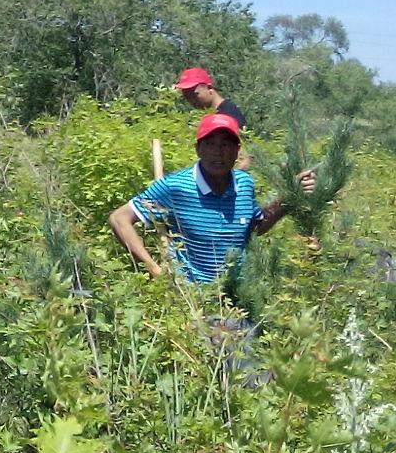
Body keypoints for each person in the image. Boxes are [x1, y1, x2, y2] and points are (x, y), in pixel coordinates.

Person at [108, 112, 302, 290]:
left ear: (237, 151)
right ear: (198, 149)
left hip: (241, 297)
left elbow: (254, 227)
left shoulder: (244, 184)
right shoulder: (176, 187)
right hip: (194, 299)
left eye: (225, 144)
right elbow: (119, 219)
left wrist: (290, 196)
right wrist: (154, 270)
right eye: (210, 144)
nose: (218, 152)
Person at [175, 68, 246, 128]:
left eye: (194, 95)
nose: (192, 100)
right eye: (187, 97)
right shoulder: (206, 115)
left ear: (209, 88)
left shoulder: (228, 115)